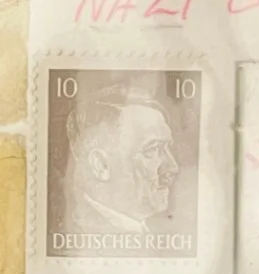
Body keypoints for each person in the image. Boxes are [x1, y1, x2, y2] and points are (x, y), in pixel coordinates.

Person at [61, 85, 180, 238]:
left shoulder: (142, 231)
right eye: (151, 150)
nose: (173, 167)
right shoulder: (80, 227)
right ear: (101, 166)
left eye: (167, 147)